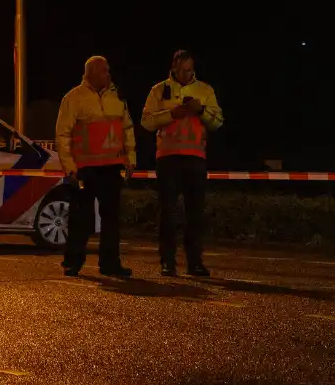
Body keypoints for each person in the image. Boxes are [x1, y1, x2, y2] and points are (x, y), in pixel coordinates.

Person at [141, 50, 224, 277]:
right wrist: (171, 114)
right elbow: (146, 121)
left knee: (195, 214)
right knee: (168, 213)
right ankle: (167, 262)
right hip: (168, 157)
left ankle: (194, 262)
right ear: (175, 67)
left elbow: (218, 122)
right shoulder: (158, 90)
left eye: (191, 70)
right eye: (184, 70)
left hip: (195, 157)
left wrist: (201, 110)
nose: (188, 74)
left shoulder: (205, 90)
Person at [55, 56, 136, 277]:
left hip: (112, 167)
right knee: (81, 218)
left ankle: (110, 264)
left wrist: (130, 160)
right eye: (103, 71)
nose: (107, 74)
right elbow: (63, 135)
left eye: (108, 71)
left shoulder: (117, 96)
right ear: (90, 73)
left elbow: (127, 128)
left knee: (111, 219)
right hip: (85, 169)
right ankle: (72, 262)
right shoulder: (74, 99)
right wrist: (70, 167)